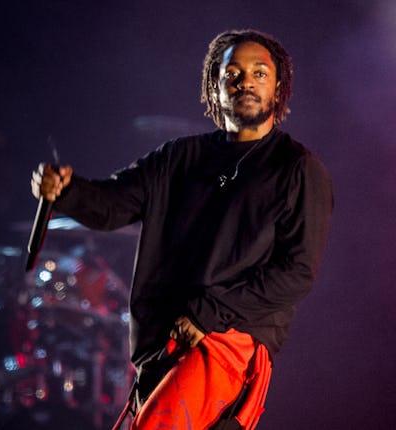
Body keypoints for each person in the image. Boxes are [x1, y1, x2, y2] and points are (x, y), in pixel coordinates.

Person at [30, 29, 333, 430]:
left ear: (279, 89)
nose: (246, 81)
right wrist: (66, 192)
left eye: (260, 73)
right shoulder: (179, 158)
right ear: (215, 86)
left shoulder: (297, 168)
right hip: (162, 341)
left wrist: (209, 313)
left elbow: (295, 273)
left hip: (226, 340)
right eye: (233, 73)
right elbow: (113, 205)